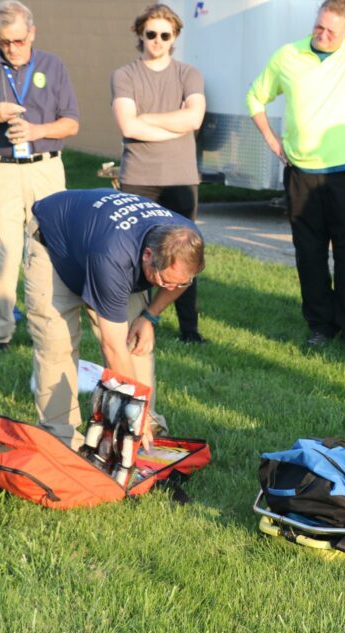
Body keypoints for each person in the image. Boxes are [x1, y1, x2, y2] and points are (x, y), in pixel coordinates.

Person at [247, 0, 345, 353]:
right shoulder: (288, 55)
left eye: (331, 31)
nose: (322, 34)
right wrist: (273, 141)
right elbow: (255, 97)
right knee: (309, 253)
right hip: (302, 173)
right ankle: (319, 325)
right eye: (319, 26)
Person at [24, 189, 205, 450]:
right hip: (54, 245)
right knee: (57, 344)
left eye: (179, 280)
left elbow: (179, 282)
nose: (169, 285)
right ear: (148, 256)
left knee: (137, 341)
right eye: (163, 280)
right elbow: (112, 347)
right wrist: (133, 412)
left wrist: (149, 316)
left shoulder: (188, 241)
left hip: (99, 240)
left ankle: (146, 429)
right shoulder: (113, 256)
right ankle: (59, 438)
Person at [0, 0, 79, 355]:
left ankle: (51, 327)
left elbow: (71, 123)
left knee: (52, 251)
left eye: (18, 41)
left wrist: (35, 130)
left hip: (46, 169)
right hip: (2, 171)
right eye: (4, 42)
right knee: (4, 254)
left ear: (32, 34)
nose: (11, 49)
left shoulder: (52, 65)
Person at [112, 4, 206, 345]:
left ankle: (189, 331)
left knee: (187, 253)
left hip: (181, 178)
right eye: (151, 34)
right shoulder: (125, 75)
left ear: (175, 37)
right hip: (139, 176)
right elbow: (126, 124)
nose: (157, 40)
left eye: (165, 35)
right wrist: (174, 125)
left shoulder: (189, 73)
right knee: (134, 253)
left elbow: (194, 120)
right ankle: (130, 321)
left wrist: (145, 120)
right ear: (140, 34)